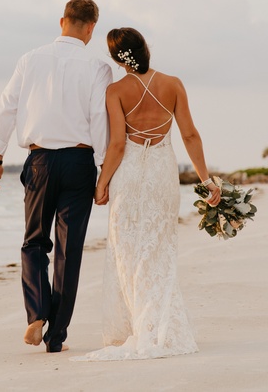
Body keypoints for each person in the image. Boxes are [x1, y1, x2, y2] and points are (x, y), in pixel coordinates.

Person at [73, 26, 220, 362]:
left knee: (127, 252)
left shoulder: (115, 91)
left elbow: (117, 144)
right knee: (159, 250)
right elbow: (191, 135)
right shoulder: (173, 84)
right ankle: (159, 326)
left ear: (116, 58)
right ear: (145, 49)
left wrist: (101, 183)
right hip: (161, 174)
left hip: (129, 176)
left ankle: (137, 328)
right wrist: (206, 179)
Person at [0, 0, 114, 354]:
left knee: (34, 241)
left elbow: (6, 107)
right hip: (78, 162)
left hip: (39, 160)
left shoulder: (30, 59)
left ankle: (36, 314)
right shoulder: (98, 67)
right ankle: (56, 336)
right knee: (69, 252)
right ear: (91, 28)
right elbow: (99, 121)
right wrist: (104, 172)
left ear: (62, 21)